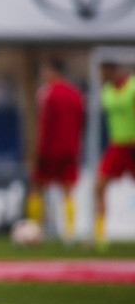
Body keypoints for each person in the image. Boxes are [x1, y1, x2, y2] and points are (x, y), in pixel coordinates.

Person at [26, 58, 84, 242]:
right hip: (70, 148)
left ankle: (33, 229)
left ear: (52, 71)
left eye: (45, 71)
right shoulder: (76, 94)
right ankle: (69, 234)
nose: (44, 75)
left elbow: (44, 124)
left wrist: (37, 151)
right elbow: (82, 122)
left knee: (37, 187)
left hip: (49, 149)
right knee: (67, 190)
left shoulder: (46, 93)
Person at [93, 61, 135, 250]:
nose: (101, 76)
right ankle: (100, 236)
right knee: (99, 186)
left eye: (103, 71)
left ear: (113, 70)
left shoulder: (132, 87)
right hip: (116, 145)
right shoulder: (107, 91)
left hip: (133, 144)